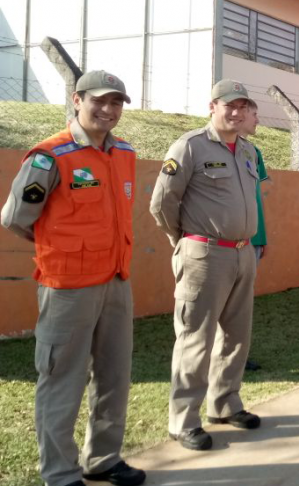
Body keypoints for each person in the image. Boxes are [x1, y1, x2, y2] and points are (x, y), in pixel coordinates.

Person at [1, 71, 146, 486]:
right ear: (77, 99)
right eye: (99, 101)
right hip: (67, 288)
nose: (108, 109)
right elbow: (15, 218)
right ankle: (61, 474)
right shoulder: (50, 155)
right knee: (63, 380)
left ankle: (103, 458)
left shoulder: (125, 153)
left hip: (116, 282)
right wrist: (60, 244)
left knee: (114, 376)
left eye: (116, 102)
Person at [151, 79, 261, 450]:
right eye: (229, 105)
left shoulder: (247, 150)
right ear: (212, 106)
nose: (237, 112)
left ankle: (225, 402)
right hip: (204, 254)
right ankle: (183, 420)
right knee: (195, 339)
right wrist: (183, 241)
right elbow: (162, 203)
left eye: (243, 106)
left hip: (243, 253)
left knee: (236, 335)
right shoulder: (190, 146)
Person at [239, 100, 268, 373]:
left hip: (252, 239)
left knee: (242, 302)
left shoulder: (253, 151)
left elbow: (256, 198)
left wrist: (262, 237)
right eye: (255, 115)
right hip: (221, 245)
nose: (257, 120)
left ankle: (238, 355)